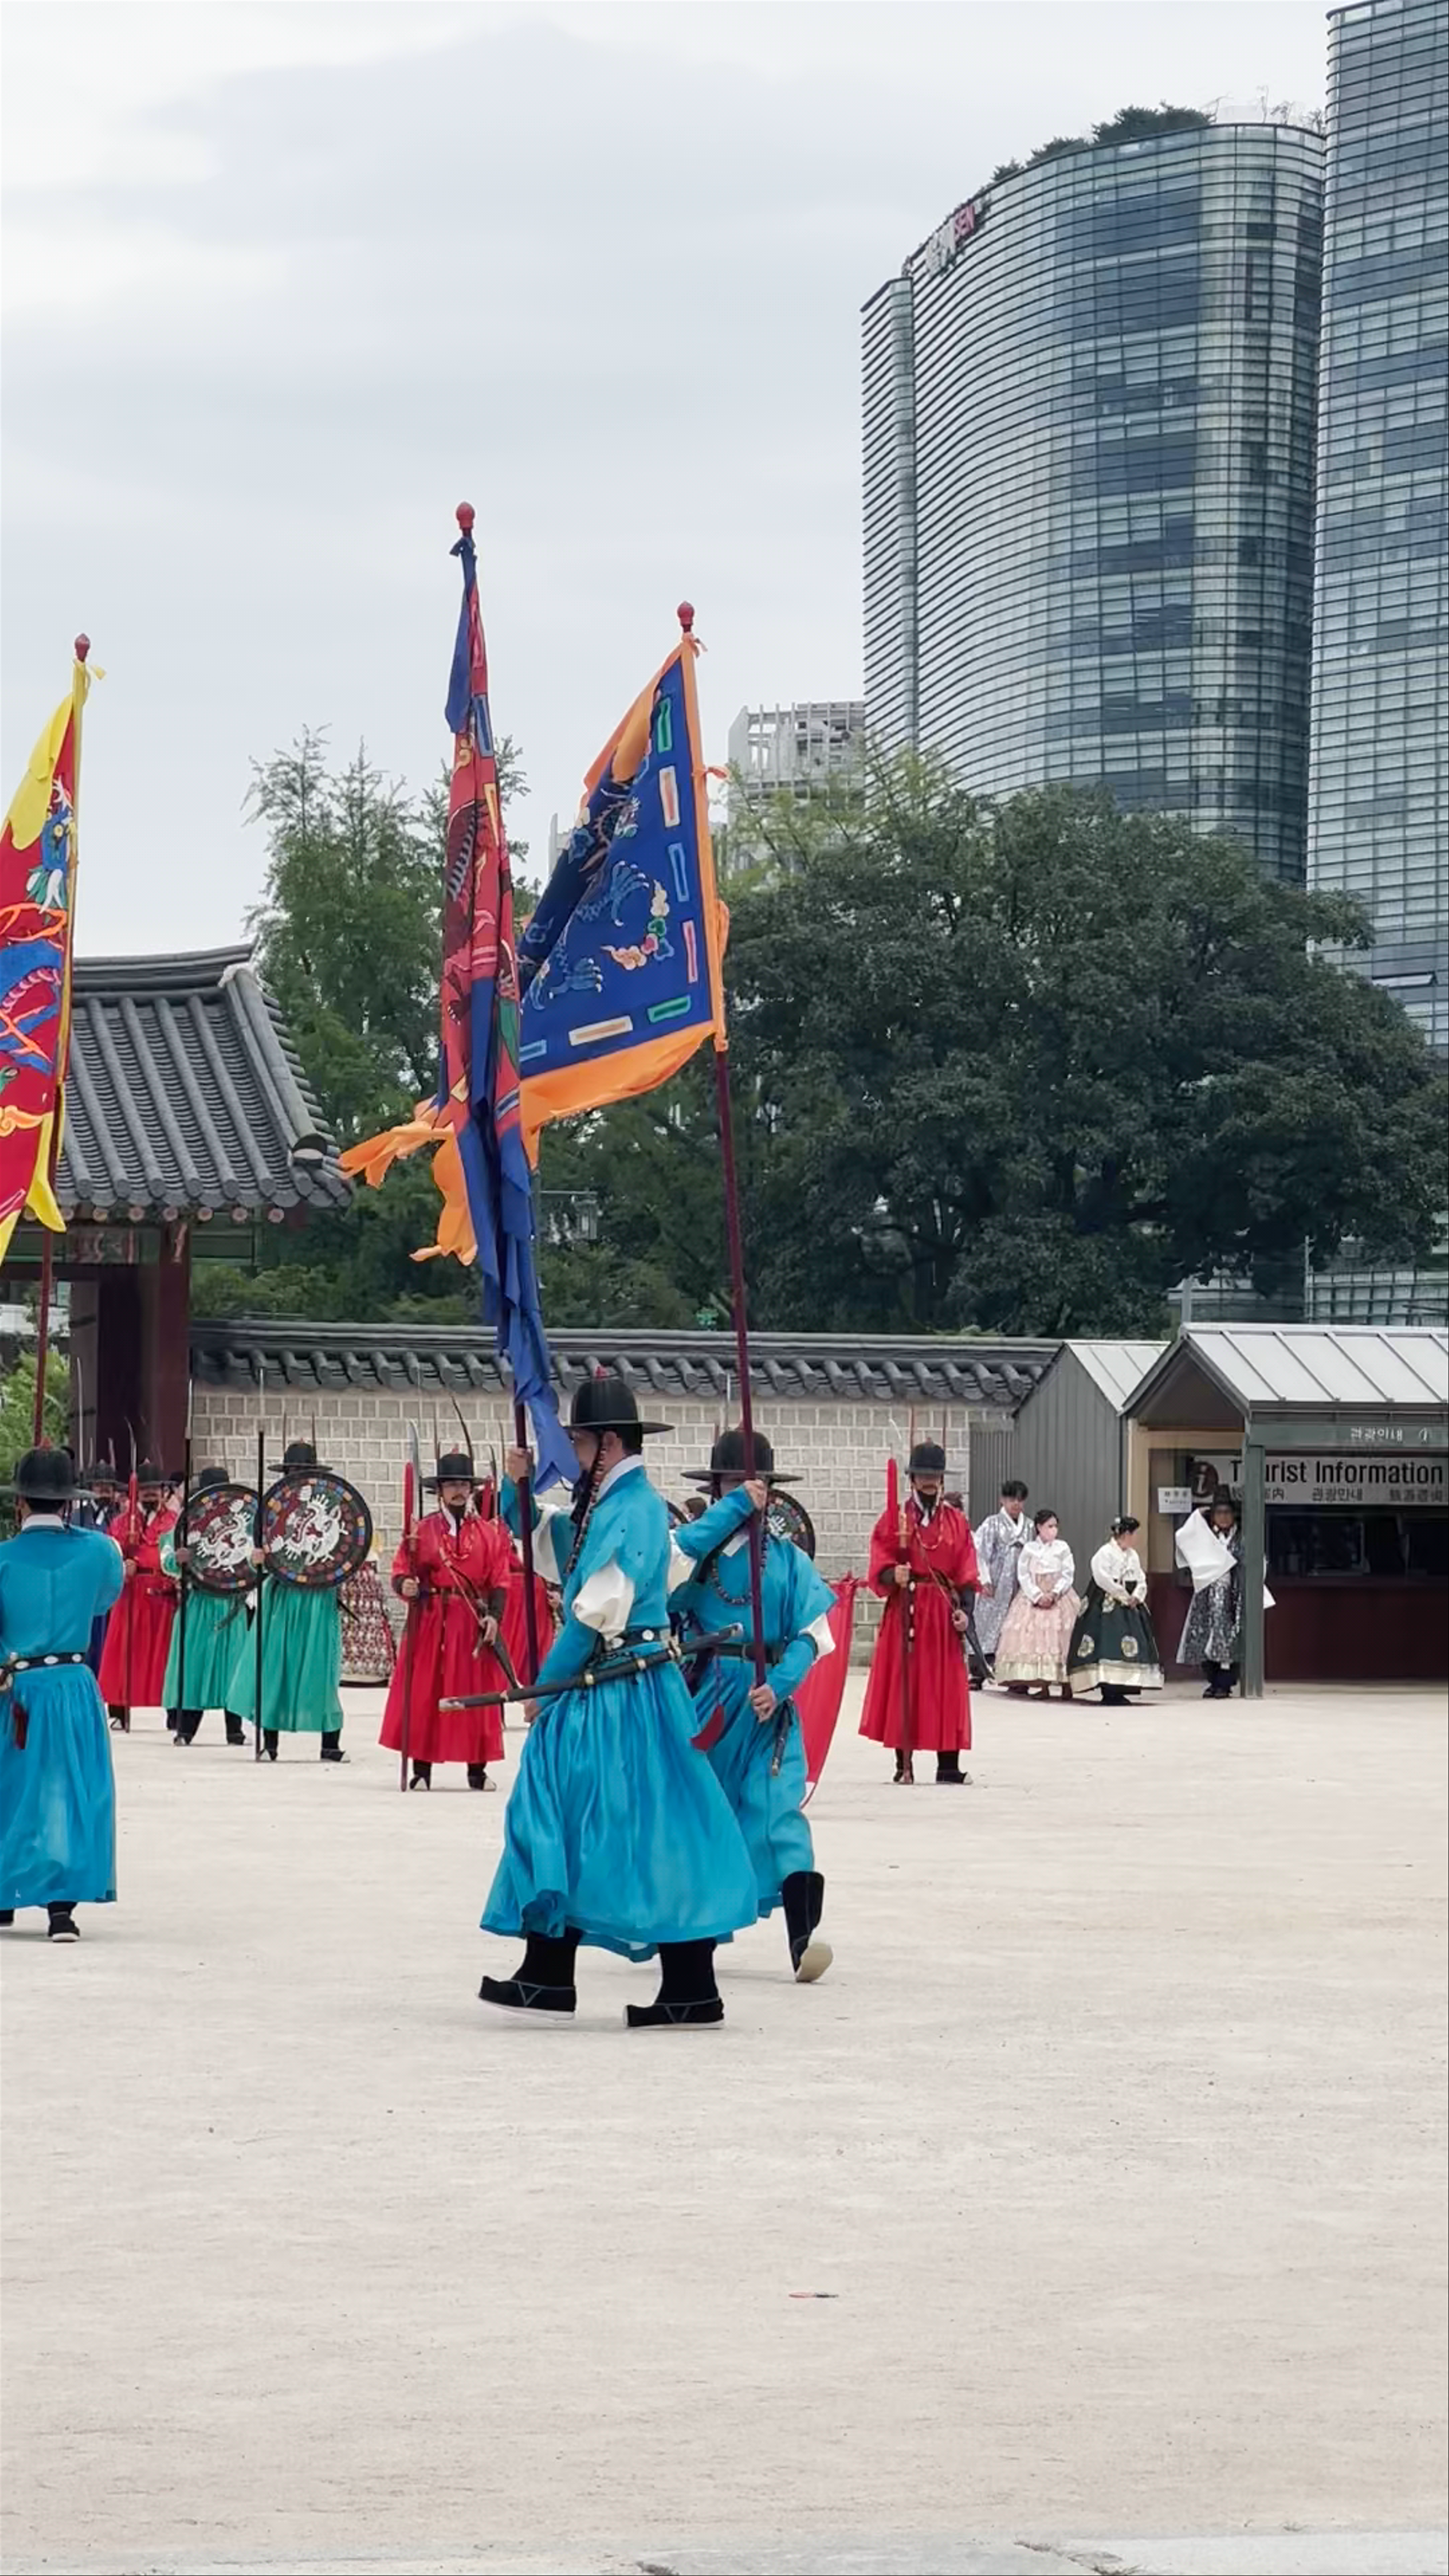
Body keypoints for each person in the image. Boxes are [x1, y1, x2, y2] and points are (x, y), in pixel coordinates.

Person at [484, 1377, 758, 2027]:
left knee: (627, 1824)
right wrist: (513, 1487)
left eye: (578, 1441)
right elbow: (549, 1542)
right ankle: (549, 1970)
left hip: (620, 1689)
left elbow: (591, 1614)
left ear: (608, 1443)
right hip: (615, 1687)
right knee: (574, 1817)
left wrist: (544, 1689)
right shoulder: (611, 1504)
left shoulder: (631, 1508)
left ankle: (685, 1983)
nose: (572, 1452)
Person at [669, 1427, 837, 1983]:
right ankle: (691, 1938)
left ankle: (803, 1938)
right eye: (732, 1483)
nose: (745, 1492)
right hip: (711, 1694)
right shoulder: (694, 1554)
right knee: (704, 1810)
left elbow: (813, 1632)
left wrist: (782, 1683)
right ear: (716, 1488)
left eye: (753, 1482)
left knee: (778, 1810)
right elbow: (660, 1605)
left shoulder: (787, 1559)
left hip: (769, 1699)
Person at [1, 1447, 125, 1940]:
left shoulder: (4, 1557)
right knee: (74, 1787)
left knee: (11, 1785)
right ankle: (61, 1908)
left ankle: (6, 1894)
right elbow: (103, 1601)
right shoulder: (98, 1550)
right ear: (70, 1503)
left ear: (22, 1503)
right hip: (73, 1682)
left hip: (18, 1685)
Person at [380, 1449, 513, 1790]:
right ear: (439, 1490)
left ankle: (477, 1770)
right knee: (427, 1690)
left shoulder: (488, 1533)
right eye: (451, 1484)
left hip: (470, 1622)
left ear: (472, 1489)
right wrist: (406, 1585)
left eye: (464, 1484)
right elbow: (401, 1571)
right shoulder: (422, 1531)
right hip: (431, 1620)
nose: (458, 1490)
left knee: (475, 1691)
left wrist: (495, 1617)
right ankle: (422, 1769)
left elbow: (499, 1579)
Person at [860, 1439, 980, 1786]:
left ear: (942, 1479)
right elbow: (879, 1561)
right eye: (923, 1476)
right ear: (911, 1479)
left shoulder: (957, 1522)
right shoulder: (894, 1518)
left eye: (935, 1476)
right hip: (907, 1608)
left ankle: (948, 1765)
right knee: (905, 1680)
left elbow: (967, 1571)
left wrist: (965, 1611)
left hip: (942, 1609)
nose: (929, 1482)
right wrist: (890, 1575)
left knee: (948, 1684)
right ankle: (904, 1762)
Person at [224, 1439, 348, 1762]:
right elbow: (255, 1560)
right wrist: (258, 1558)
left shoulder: (332, 1503)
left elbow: (346, 1550)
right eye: (294, 1471)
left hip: (320, 1599)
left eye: (303, 1471)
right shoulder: (272, 1512)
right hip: (281, 1597)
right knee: (274, 1669)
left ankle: (330, 1744)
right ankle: (270, 1742)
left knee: (321, 1671)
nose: (298, 1476)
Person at [161, 1467, 250, 1745]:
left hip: (232, 1604)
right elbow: (166, 1561)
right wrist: (179, 1558)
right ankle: (186, 1729)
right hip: (198, 1603)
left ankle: (235, 1729)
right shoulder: (186, 1524)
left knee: (233, 1667)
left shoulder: (244, 1523)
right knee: (194, 1666)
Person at [97, 1464, 178, 1733]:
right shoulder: (122, 1523)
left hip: (161, 1596)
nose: (150, 1494)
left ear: (163, 1491)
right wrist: (123, 1565)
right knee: (123, 1651)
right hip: (131, 1595)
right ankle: (120, 1709)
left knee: (165, 1655)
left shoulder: (173, 1523)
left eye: (154, 1489)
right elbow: (107, 1558)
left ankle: (172, 1712)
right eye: (144, 1489)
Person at [1068, 1515, 1163, 1706]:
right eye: (1134, 1534)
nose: (1135, 1538)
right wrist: (1122, 1595)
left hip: (1130, 1604)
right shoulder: (1104, 1553)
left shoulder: (1132, 1555)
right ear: (1126, 1534)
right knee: (1108, 1643)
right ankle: (1109, 1691)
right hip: (1107, 1603)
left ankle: (1122, 1689)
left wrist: (1137, 1594)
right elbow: (1102, 1578)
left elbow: (1141, 1577)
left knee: (1131, 1645)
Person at [992, 1507, 1078, 1699]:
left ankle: (1067, 1685)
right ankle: (1043, 1685)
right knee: (1036, 1640)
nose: (1053, 1530)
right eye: (1050, 1526)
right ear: (1039, 1527)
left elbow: (1068, 1572)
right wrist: (1037, 1595)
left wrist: (1056, 1593)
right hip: (1035, 1597)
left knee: (1063, 1639)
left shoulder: (1062, 1548)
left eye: (1056, 1526)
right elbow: (1023, 1575)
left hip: (1060, 1596)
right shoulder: (1030, 1549)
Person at [1179, 1491, 1243, 1699]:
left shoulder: (1242, 1537)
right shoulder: (1206, 1537)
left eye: (1227, 1513)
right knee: (1207, 1636)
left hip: (1232, 1596)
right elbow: (1183, 1535)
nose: (1224, 1517)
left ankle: (1225, 1683)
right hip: (1207, 1595)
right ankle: (1213, 1681)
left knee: (1228, 1639)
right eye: (1219, 1513)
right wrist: (1201, 1512)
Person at [971, 1479, 1031, 1675]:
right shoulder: (992, 1524)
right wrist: (985, 1579)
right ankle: (979, 1671)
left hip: (1020, 1584)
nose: (1016, 1504)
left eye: (1020, 1500)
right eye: (1012, 1499)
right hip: (996, 1582)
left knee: (1016, 1625)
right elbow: (980, 1552)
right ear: (1002, 1501)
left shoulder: (1029, 1526)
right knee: (987, 1622)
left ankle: (1011, 1674)